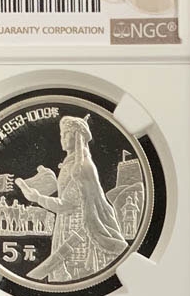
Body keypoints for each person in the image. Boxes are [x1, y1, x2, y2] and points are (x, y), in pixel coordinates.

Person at [17, 115, 128, 282]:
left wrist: (38, 198)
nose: (62, 138)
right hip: (68, 228)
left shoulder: (80, 167)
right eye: (61, 134)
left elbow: (67, 204)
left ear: (77, 136)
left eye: (66, 134)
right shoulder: (72, 164)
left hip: (78, 235)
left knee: (76, 277)